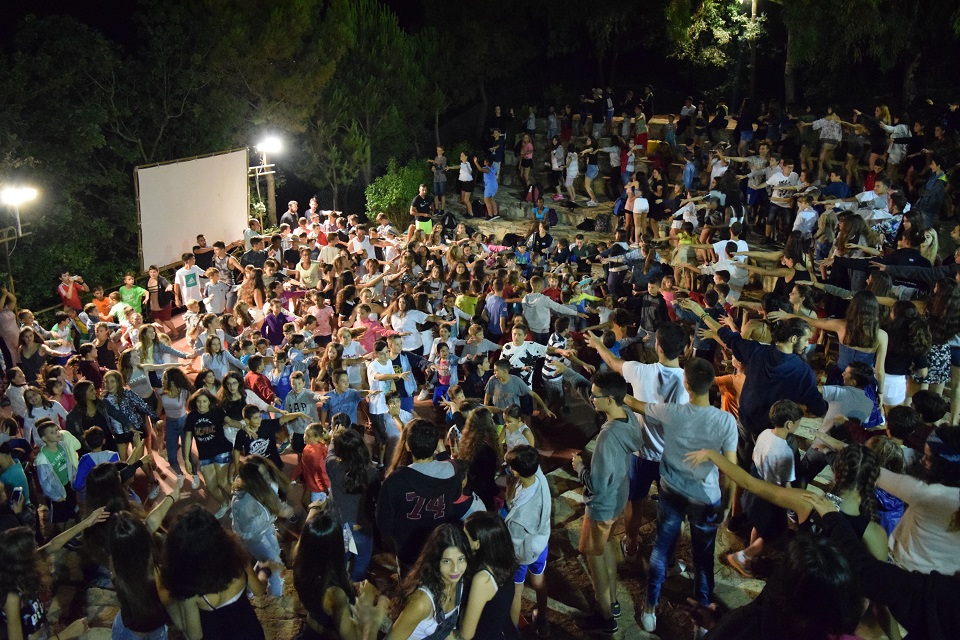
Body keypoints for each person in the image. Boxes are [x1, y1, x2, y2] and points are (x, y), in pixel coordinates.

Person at [628, 359, 738, 635]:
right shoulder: (725, 421)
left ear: (686, 384)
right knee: (703, 560)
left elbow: (636, 404)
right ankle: (701, 623)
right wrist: (726, 505)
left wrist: (616, 393)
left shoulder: (672, 412)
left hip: (671, 491)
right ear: (711, 384)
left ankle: (650, 607)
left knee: (661, 548)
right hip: (705, 497)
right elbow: (731, 469)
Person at [571, 371, 644, 635]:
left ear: (610, 400)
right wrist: (569, 372)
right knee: (605, 548)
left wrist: (580, 467)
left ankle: (605, 616)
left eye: (596, 396)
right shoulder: (628, 417)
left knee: (594, 557)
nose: (592, 399)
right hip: (618, 497)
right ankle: (612, 602)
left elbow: (597, 484)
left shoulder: (607, 437)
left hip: (602, 504)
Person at [376, 419, 473, 576]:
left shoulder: (394, 480)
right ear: (436, 446)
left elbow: (384, 523)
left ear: (407, 446)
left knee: (409, 586)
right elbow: (455, 497)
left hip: (408, 550)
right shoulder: (453, 472)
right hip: (441, 547)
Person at [161, 505, 267, 640]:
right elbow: (259, 591)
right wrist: (264, 571)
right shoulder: (237, 558)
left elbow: (195, 635)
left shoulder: (190, 590)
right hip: (251, 633)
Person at [0, 510, 107, 640]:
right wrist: (66, 634)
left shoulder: (20, 573)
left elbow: (54, 544)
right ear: (24, 559)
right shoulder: (12, 598)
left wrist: (87, 522)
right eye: (34, 547)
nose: (38, 548)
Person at [726, 400, 801, 578]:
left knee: (761, 527)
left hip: (755, 487)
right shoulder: (785, 452)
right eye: (798, 423)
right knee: (768, 532)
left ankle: (751, 555)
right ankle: (745, 557)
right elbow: (786, 484)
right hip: (770, 497)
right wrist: (794, 503)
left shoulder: (764, 433)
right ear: (789, 424)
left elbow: (754, 456)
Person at [293, 501, 388, 640]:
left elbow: (302, 542)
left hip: (310, 630)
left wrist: (313, 511)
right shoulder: (335, 594)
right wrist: (372, 606)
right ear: (336, 546)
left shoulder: (299, 563)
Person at [386, 524, 470, 640]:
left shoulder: (459, 583)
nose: (455, 569)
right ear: (435, 561)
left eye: (460, 559)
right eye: (447, 561)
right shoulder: (422, 602)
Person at [502, 445, 551, 636]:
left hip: (522, 553)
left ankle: (513, 632)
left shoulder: (520, 516)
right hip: (541, 544)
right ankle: (542, 620)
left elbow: (513, 544)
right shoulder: (539, 476)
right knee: (539, 580)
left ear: (515, 471)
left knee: (516, 589)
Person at [230, 456, 293, 597]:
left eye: (266, 472)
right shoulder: (243, 501)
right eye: (262, 475)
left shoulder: (266, 485)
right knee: (276, 567)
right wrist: (275, 512)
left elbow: (273, 502)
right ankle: (275, 599)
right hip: (253, 537)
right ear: (253, 480)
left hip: (266, 528)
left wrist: (278, 509)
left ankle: (251, 589)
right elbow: (248, 529)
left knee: (269, 557)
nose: (267, 477)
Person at [326, 428, 380, 582]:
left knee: (340, 558)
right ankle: (356, 585)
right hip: (361, 525)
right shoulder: (372, 472)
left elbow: (330, 452)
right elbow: (377, 498)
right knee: (362, 559)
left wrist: (333, 438)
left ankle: (340, 585)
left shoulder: (332, 466)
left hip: (341, 523)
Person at [460, 512, 519, 640]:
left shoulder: (483, 580)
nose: (461, 539)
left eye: (464, 535)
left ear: (477, 544)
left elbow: (466, 634)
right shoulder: (505, 563)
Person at [182, 389, 233, 519]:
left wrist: (238, 425)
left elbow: (230, 421)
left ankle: (240, 503)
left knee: (222, 482)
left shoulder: (217, 412)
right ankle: (225, 503)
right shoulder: (192, 416)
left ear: (209, 402)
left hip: (221, 450)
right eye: (198, 402)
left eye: (204, 401)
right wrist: (186, 459)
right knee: (210, 486)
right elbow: (188, 437)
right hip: (205, 455)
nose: (201, 404)